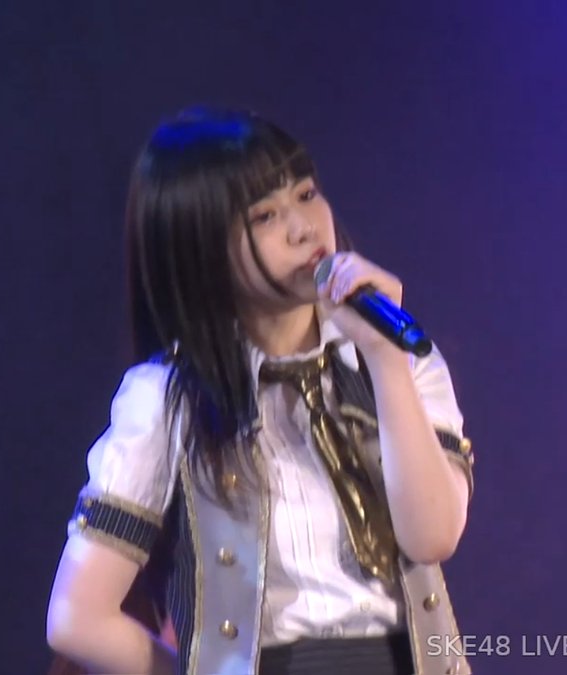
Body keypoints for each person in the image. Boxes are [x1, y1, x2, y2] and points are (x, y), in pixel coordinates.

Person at [45, 106, 475, 675]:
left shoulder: (397, 358)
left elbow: (433, 538)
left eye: (306, 194)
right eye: (266, 215)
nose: (304, 228)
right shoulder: (168, 397)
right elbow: (77, 618)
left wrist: (385, 360)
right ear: (199, 246)